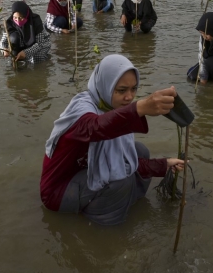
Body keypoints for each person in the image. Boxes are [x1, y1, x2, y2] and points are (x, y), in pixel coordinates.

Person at [40, 54, 185, 225]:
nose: (129, 97)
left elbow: (126, 160)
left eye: (134, 89)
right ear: (105, 86)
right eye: (122, 90)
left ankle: (128, 205)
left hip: (86, 172)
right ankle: (105, 230)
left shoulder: (110, 106)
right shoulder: (82, 110)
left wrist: (163, 164)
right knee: (120, 180)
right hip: (59, 191)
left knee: (140, 151)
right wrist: (140, 107)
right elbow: (96, 127)